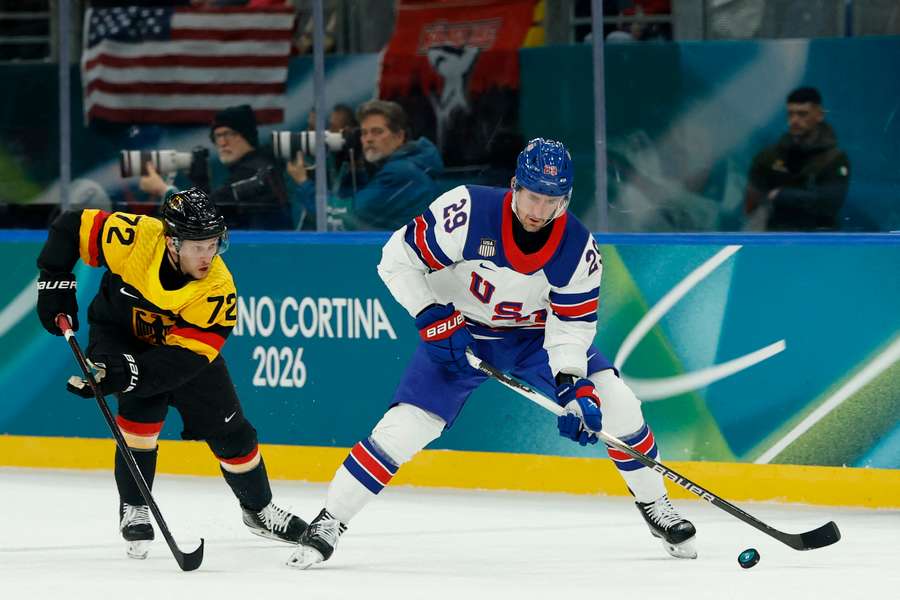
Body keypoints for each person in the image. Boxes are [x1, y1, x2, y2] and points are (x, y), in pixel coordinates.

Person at [286, 138, 697, 570]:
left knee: (619, 406)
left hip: (534, 340)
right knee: (404, 429)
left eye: (551, 200)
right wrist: (430, 315)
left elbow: (571, 325)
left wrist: (573, 383)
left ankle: (656, 506)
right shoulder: (464, 213)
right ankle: (330, 521)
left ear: (567, 199)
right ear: (515, 185)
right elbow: (395, 259)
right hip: (459, 333)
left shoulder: (578, 248)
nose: (539, 210)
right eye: (533, 196)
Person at [35, 188, 306, 560]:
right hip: (119, 332)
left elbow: (185, 360)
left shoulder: (217, 291)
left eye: (214, 244)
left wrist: (132, 374)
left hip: (179, 353)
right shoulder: (134, 238)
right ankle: (134, 506)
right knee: (140, 416)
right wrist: (54, 280)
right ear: (171, 241)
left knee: (233, 433)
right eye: (197, 246)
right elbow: (70, 227)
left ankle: (258, 509)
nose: (207, 255)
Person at [287, 99, 443, 231]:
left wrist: (303, 182)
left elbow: (346, 218)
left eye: (377, 132)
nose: (368, 139)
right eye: (364, 133)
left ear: (399, 136)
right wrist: (354, 170)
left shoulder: (401, 172)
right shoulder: (409, 165)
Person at [140, 104, 291, 230]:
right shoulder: (251, 170)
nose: (222, 143)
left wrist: (164, 190)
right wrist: (201, 181)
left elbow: (199, 214)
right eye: (217, 136)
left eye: (228, 134)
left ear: (246, 135)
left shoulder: (257, 173)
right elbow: (211, 219)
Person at [744, 87, 851, 231]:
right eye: (790, 114)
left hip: (819, 240)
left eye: (802, 114)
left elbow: (829, 203)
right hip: (773, 239)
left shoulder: (835, 159)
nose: (794, 120)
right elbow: (752, 204)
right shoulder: (769, 157)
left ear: (819, 115)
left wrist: (781, 195)